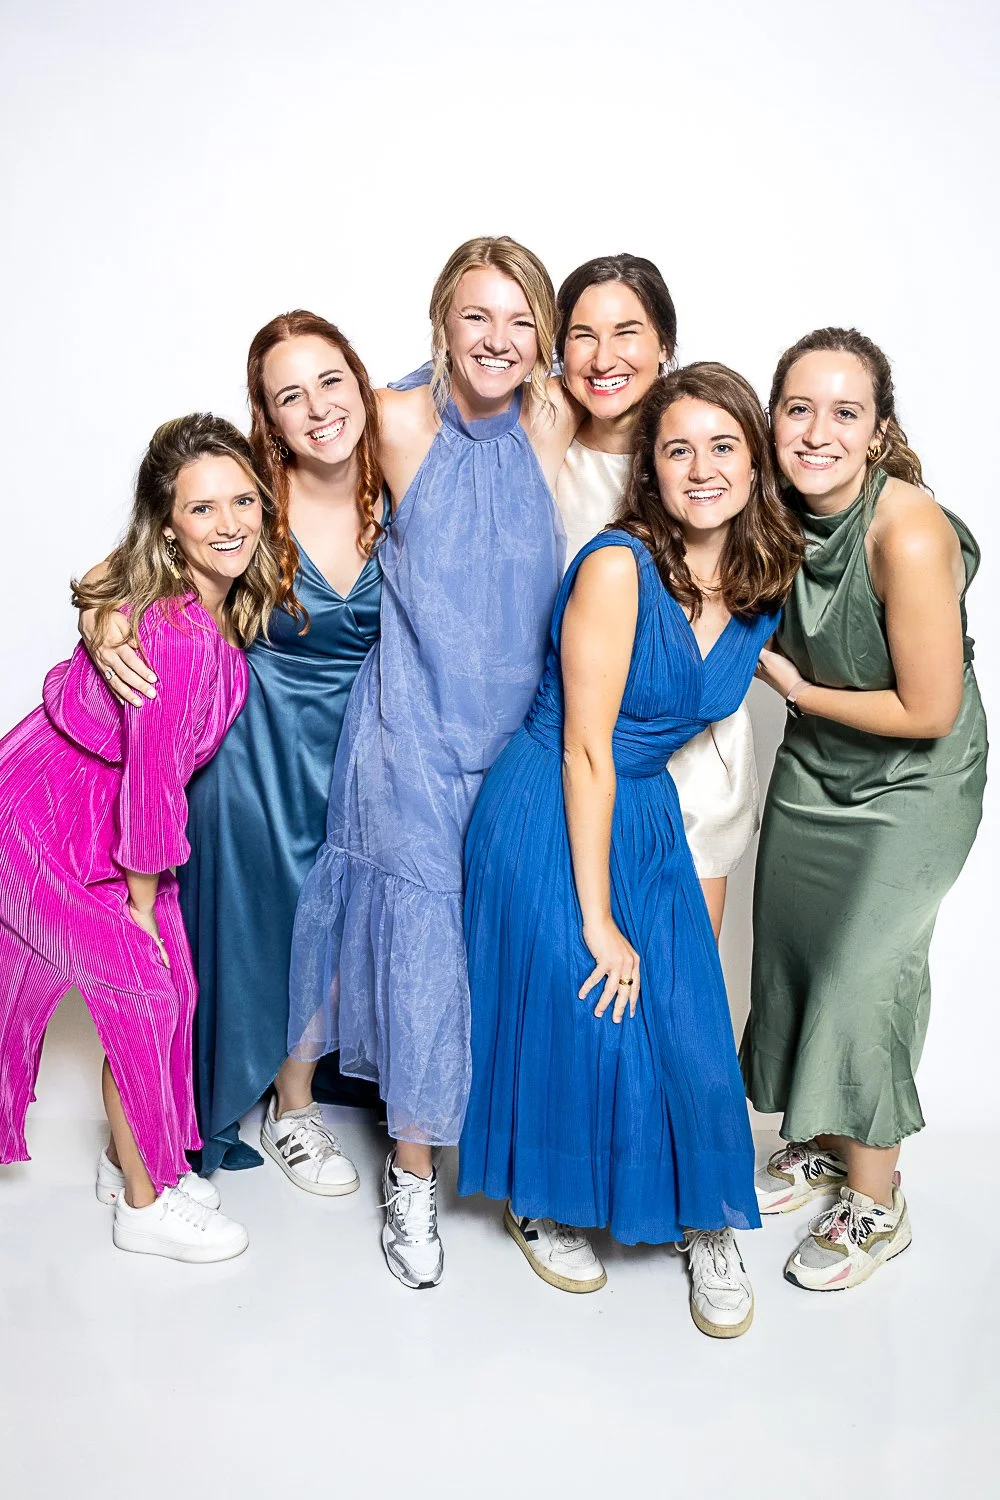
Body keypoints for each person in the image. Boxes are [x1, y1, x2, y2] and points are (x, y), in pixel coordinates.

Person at [457, 364, 803, 1337]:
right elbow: (583, 746)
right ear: (649, 467)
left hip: (640, 806)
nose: (701, 468)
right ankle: (541, 1198)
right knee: (591, 994)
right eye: (676, 448)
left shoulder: (760, 581)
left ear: (754, 460)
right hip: (548, 800)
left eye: (722, 445)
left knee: (688, 1020)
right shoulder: (619, 566)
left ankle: (707, 1223)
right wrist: (597, 915)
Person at [289, 235, 577, 1288]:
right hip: (409, 729)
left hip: (516, 741)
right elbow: (244, 489)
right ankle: (411, 1179)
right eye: (476, 316)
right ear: (440, 324)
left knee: (505, 946)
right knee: (419, 944)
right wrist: (122, 602)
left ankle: (519, 1167)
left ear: (541, 335)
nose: (497, 339)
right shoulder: (395, 417)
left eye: (519, 319)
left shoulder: (552, 418)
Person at [81, 313, 384, 1186]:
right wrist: (107, 625)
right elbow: (129, 569)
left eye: (331, 381)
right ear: (268, 417)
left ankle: (299, 1097)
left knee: (341, 925)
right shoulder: (248, 500)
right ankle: (250, 1111)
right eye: (291, 395)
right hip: (257, 749)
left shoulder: (399, 484)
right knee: (267, 931)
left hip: (365, 745)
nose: (319, 408)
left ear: (360, 383)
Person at [0, 414, 286, 1262]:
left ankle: (136, 1156)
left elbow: (107, 582)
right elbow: (156, 781)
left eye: (242, 501)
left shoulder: (203, 611)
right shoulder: (174, 631)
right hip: (41, 823)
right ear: (170, 526)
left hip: (91, 823)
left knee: (172, 994)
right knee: (145, 990)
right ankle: (145, 1203)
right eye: (203, 510)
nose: (230, 523)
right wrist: (141, 909)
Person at [742, 327, 988, 1292]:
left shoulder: (908, 527)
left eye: (844, 412)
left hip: (913, 780)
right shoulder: (775, 510)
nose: (816, 432)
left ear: (878, 429)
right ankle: (821, 1145)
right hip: (820, 764)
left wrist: (797, 694)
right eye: (797, 408)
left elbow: (928, 710)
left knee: (862, 973)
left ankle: (878, 1204)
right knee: (798, 951)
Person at [555, 254, 761, 937]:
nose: (604, 355)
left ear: (665, 345)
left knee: (680, 998)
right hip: (584, 762)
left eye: (628, 331)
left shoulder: (708, 453)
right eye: (582, 333)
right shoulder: (538, 451)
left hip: (698, 765)